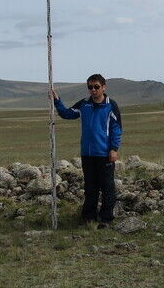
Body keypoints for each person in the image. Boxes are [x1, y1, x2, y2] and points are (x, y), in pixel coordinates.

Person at [51, 74, 123, 227]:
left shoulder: (111, 106)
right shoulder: (84, 105)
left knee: (107, 188)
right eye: (90, 87)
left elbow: (116, 129)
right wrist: (57, 101)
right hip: (88, 154)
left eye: (96, 86)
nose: (93, 90)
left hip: (104, 154)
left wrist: (114, 149)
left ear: (103, 87)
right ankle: (88, 218)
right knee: (90, 188)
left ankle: (106, 219)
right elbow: (67, 113)